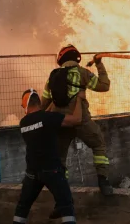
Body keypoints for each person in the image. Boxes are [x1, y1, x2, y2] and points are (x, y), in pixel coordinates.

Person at [41, 44, 113, 196]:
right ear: (76, 58)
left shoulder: (52, 76)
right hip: (81, 120)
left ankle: (61, 193)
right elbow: (104, 86)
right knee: (98, 144)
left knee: (60, 158)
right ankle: (103, 181)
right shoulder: (83, 73)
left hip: (60, 121)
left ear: (61, 59)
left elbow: (44, 102)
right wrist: (99, 64)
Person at [14, 88, 84, 224]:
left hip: (32, 173)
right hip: (51, 170)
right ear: (38, 102)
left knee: (22, 206)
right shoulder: (48, 119)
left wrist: (52, 103)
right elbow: (77, 120)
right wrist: (80, 99)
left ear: (26, 105)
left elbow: (42, 118)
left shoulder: (23, 123)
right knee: (66, 205)